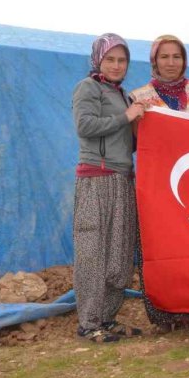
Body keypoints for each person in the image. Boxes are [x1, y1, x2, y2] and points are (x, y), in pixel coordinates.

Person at [129, 34, 189, 333]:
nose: (171, 62)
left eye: (176, 56)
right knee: (161, 245)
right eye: (164, 56)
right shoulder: (139, 97)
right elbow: (135, 143)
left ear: (184, 60)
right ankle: (163, 312)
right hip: (158, 186)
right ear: (154, 60)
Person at [71, 33, 146, 343]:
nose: (116, 65)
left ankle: (107, 317)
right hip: (96, 178)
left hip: (123, 178)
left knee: (119, 254)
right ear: (98, 60)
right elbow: (84, 126)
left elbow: (130, 140)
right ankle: (88, 323)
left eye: (122, 60)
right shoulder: (88, 88)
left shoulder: (125, 95)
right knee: (93, 251)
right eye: (110, 59)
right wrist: (126, 117)